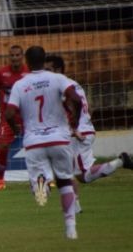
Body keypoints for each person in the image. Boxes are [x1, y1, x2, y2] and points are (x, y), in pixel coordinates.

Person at [5, 46, 84, 239]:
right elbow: (76, 98)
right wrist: (75, 118)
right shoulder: (57, 78)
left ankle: (43, 185)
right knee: (65, 181)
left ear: (27, 61)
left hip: (34, 142)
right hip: (59, 138)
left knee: (40, 195)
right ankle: (71, 229)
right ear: (44, 59)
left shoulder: (20, 84)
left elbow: (9, 113)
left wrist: (15, 127)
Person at [42, 54, 133, 211]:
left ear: (57, 69)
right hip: (83, 131)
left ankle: (74, 207)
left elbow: (73, 106)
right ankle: (120, 161)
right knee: (81, 175)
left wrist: (74, 128)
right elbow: (86, 107)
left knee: (66, 171)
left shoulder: (59, 86)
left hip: (76, 134)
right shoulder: (73, 84)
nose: (44, 73)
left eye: (47, 69)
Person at [0, 44, 29, 190]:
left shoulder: (29, 73)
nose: (14, 58)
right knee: (3, 146)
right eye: (12, 55)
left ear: (22, 56)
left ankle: (45, 177)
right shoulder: (1, 73)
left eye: (17, 55)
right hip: (7, 117)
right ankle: (0, 180)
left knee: (37, 146)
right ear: (8, 57)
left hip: (27, 116)